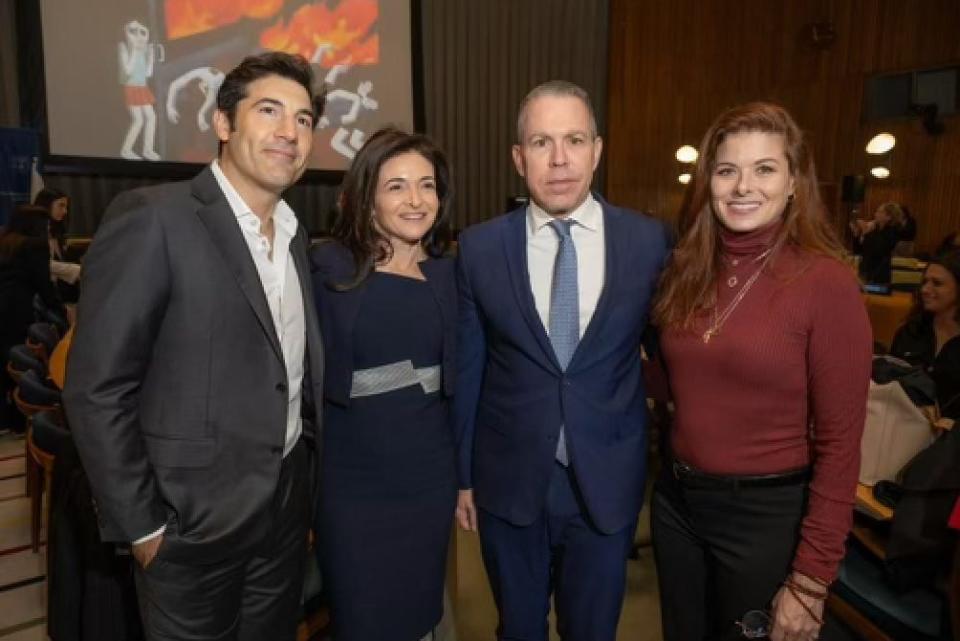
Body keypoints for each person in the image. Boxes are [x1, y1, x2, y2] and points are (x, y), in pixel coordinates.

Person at [63, 52, 326, 641]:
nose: (290, 131)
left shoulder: (292, 233)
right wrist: (144, 528)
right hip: (187, 527)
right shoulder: (155, 219)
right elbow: (96, 387)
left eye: (305, 119)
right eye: (270, 111)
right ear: (224, 124)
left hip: (281, 514)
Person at [453, 80, 669, 641]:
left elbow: (673, 356)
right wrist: (462, 478)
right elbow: (470, 368)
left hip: (607, 483)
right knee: (518, 630)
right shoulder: (478, 249)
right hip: (509, 483)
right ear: (518, 158)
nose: (560, 159)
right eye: (542, 142)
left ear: (597, 150)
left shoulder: (648, 244)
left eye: (574, 139)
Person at [651, 102, 872, 641]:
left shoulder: (826, 285)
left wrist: (811, 580)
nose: (743, 185)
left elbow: (842, 445)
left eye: (764, 169)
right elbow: (675, 381)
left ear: (793, 181)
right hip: (677, 505)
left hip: (766, 520)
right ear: (709, 182)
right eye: (727, 170)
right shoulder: (687, 270)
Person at [309, 127, 457, 641]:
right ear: (366, 194)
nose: (416, 200)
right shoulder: (327, 265)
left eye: (427, 185)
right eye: (396, 186)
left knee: (419, 615)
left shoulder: (452, 276)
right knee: (362, 618)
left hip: (429, 479)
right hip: (352, 483)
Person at [0, 204, 61, 431]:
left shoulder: (5, 240)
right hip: (16, 309)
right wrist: (61, 311)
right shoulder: (35, 245)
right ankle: (17, 421)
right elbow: (43, 285)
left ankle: (4, 419)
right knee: (15, 362)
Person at [890, 250, 960, 421]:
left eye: (937, 283)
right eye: (925, 282)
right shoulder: (910, 332)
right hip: (903, 425)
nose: (925, 289)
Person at [33, 187, 81, 301]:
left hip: (60, 293)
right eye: (61, 205)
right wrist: (77, 270)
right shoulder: (32, 230)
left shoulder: (56, 230)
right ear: (46, 204)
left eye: (66, 207)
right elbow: (42, 264)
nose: (65, 211)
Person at [851, 202, 904, 284]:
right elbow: (858, 250)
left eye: (880, 212)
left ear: (888, 217)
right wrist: (856, 234)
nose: (875, 214)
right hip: (865, 270)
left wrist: (865, 232)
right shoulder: (874, 230)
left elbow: (879, 250)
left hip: (879, 272)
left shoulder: (893, 232)